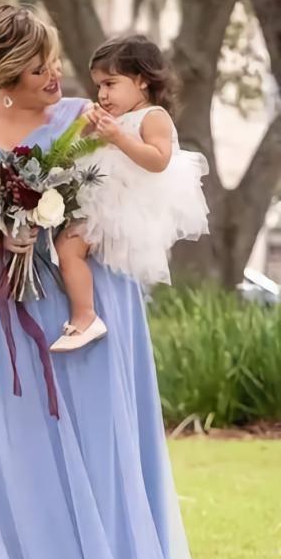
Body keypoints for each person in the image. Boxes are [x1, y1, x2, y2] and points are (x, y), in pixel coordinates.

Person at [0, 4, 208, 559]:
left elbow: (144, 185)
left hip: (90, 296)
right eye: (36, 69)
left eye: (54, 60)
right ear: (2, 76)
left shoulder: (87, 117)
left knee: (98, 448)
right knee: (14, 452)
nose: (55, 76)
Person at [50, 34, 210, 351]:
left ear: (141, 80)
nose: (103, 94)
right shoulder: (118, 119)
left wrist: (118, 138)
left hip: (120, 208)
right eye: (99, 86)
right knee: (65, 249)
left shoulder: (154, 116)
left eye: (110, 84)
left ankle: (85, 317)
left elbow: (158, 159)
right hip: (100, 200)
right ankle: (84, 313)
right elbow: (87, 154)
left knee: (68, 250)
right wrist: (89, 131)